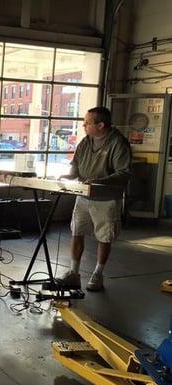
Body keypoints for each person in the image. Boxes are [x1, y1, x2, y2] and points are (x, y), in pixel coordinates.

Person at [57, 106, 131, 291]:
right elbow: (75, 164)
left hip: (106, 200)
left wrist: (99, 182)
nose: (83, 125)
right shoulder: (86, 141)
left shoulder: (118, 143)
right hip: (84, 195)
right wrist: (69, 176)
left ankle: (98, 274)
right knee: (77, 231)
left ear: (101, 125)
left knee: (104, 237)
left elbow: (124, 172)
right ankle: (74, 273)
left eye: (87, 123)